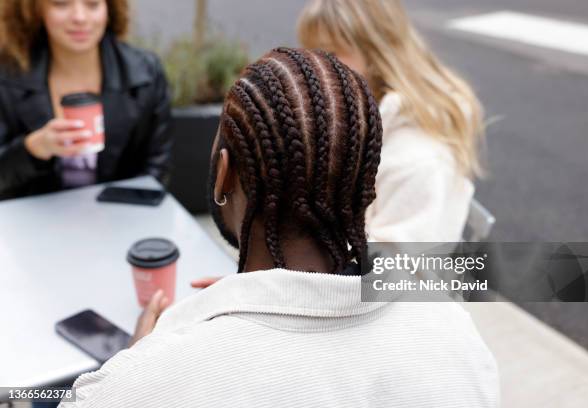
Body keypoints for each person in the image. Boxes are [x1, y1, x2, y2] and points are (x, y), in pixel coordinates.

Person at [59, 48, 498, 407]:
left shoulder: (141, 385)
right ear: (363, 179)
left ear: (224, 174)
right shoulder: (454, 334)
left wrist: (138, 360)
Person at [298, 0, 485, 242]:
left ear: (375, 52)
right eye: (309, 53)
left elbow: (393, 273)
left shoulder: (418, 161)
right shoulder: (353, 114)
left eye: (331, 53)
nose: (312, 67)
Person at [0, 0, 172, 201]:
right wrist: (32, 149)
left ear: (109, 9)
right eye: (61, 4)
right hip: (30, 220)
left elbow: (157, 168)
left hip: (121, 218)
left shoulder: (146, 74)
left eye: (92, 4)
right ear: (36, 10)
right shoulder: (7, 78)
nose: (80, 18)